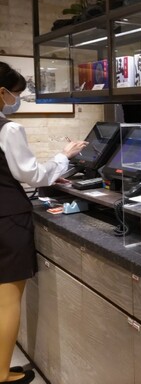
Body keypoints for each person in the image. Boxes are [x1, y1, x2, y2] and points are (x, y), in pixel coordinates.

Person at [0, 61, 87, 384]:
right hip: (8, 220)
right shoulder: (8, 129)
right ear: (2, 92)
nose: (17, 100)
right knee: (8, 300)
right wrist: (65, 156)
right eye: (16, 94)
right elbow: (31, 174)